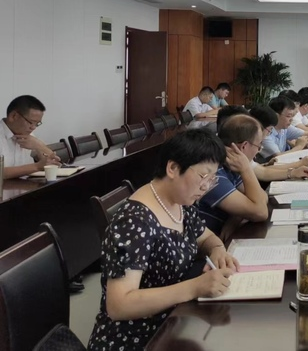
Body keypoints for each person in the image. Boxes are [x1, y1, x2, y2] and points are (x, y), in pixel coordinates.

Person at [88, 129, 238, 351]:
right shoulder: (134, 222)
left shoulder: (181, 203)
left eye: (212, 179)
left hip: (173, 321)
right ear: (173, 168)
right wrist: (194, 287)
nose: (206, 187)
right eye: (203, 176)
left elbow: (207, 237)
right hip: (136, 338)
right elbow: (119, 305)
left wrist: (217, 250)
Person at [197, 115, 270, 234]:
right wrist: (246, 169)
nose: (258, 150)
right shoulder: (213, 173)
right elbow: (261, 212)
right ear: (244, 146)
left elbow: (262, 197)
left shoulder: (231, 165)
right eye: (259, 146)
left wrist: (236, 216)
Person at [1, 95, 60, 179]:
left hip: (26, 185)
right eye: (31, 122)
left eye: (37, 123)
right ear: (13, 116)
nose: (33, 127)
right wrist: (36, 166)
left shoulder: (27, 134)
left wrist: (39, 145)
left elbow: (53, 161)